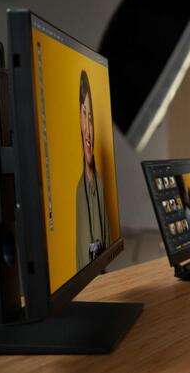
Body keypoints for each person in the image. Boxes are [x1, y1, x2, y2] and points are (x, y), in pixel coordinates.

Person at [76, 70, 111, 270]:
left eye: (91, 117)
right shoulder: (80, 192)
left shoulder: (98, 183)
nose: (89, 129)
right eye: (84, 115)